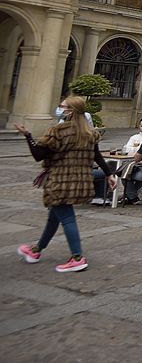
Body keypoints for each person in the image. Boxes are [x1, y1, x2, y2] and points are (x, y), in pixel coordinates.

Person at [16, 96, 115, 273]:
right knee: (55, 216)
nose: (59, 108)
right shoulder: (89, 133)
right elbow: (97, 156)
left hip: (61, 180)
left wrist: (28, 136)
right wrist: (109, 174)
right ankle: (36, 250)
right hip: (80, 180)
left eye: (62, 106)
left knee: (66, 216)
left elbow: (39, 154)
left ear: (69, 111)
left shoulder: (58, 131)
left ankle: (77, 257)